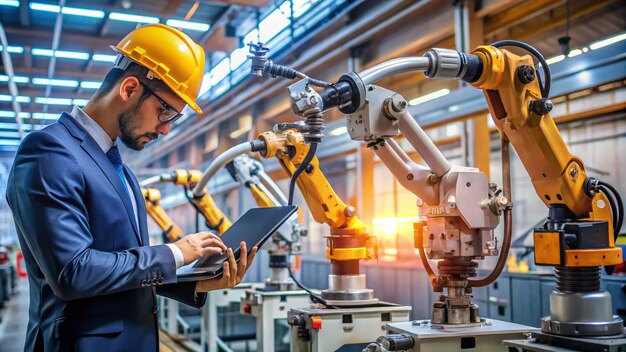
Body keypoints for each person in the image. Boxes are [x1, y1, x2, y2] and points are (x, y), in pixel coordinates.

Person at [6, 24, 257, 351]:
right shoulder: (49, 152)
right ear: (129, 88)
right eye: (165, 111)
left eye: (174, 118)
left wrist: (200, 282)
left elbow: (122, 275)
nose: (166, 129)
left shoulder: (120, 169)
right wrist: (177, 252)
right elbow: (72, 272)